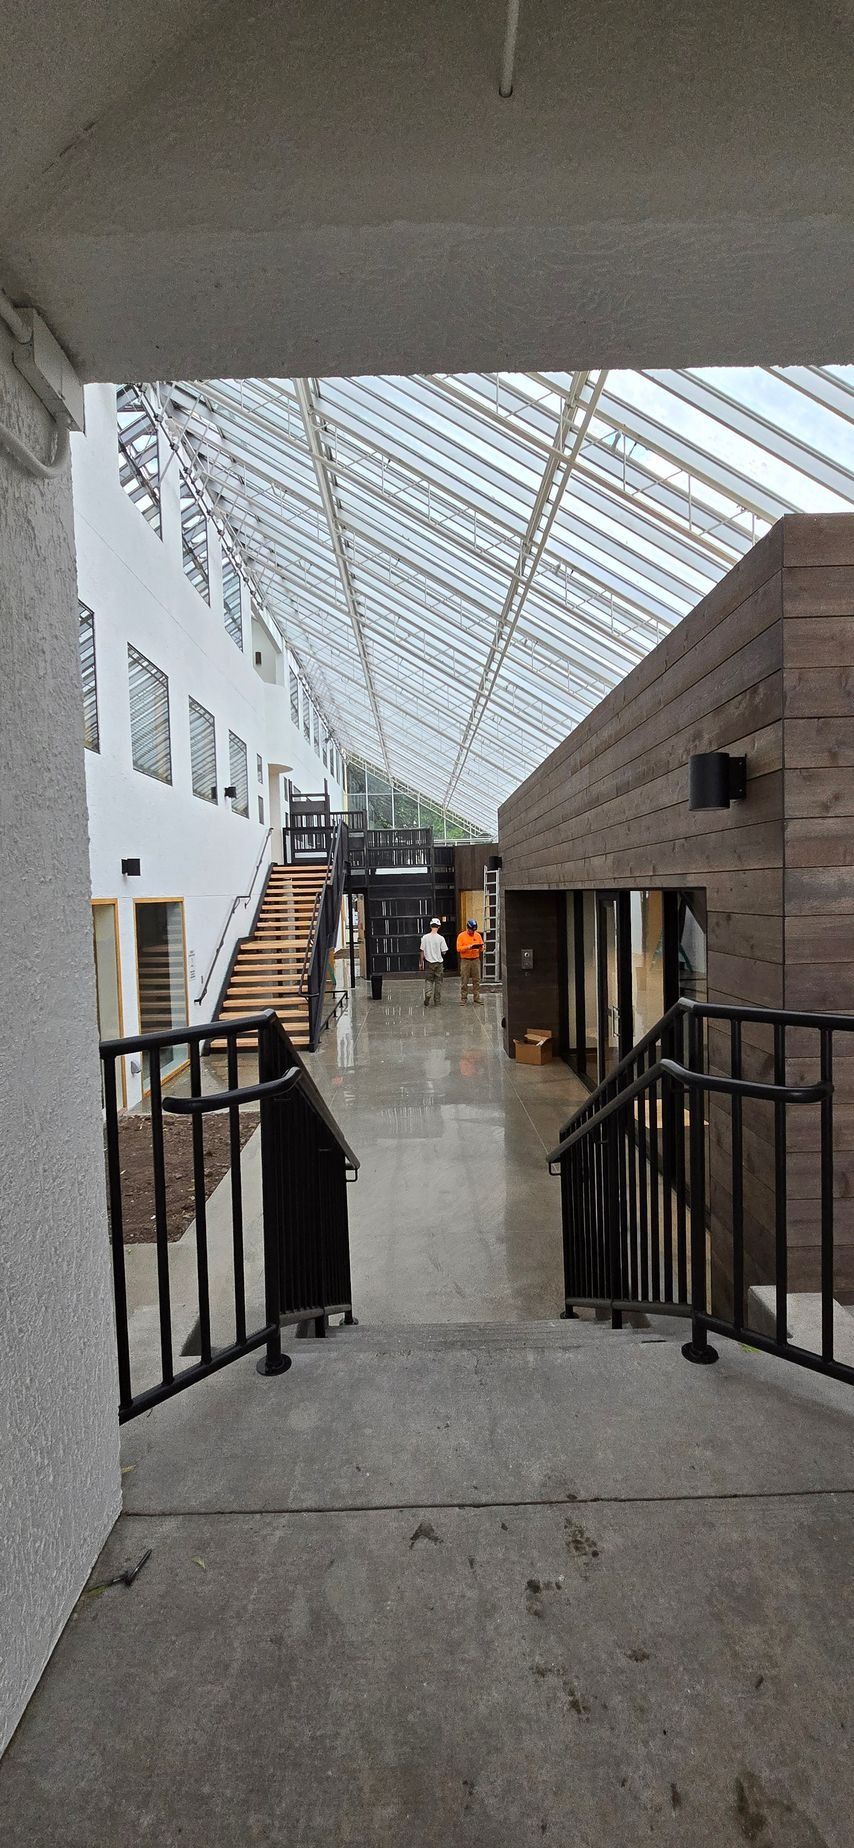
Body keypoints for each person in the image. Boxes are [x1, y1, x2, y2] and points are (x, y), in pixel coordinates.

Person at [419, 917, 448, 1007]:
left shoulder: (425, 937)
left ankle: (428, 994)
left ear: (431, 926)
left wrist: (421, 963)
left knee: (429, 980)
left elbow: (422, 951)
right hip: (438, 963)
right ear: (439, 926)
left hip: (428, 963)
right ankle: (437, 1001)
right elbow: (444, 951)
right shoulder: (441, 938)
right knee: (438, 982)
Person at [457, 917, 484, 1005]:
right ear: (467, 928)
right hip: (465, 960)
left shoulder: (478, 935)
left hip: (476, 959)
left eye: (474, 930)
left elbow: (482, 946)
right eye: (471, 930)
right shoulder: (461, 936)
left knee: (477, 980)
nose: (472, 932)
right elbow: (458, 948)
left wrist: (481, 948)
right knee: (464, 980)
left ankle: (477, 997)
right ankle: (463, 998)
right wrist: (468, 947)